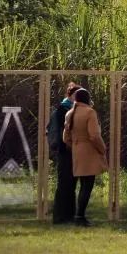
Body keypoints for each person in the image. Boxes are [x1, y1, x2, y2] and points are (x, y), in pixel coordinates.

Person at [62, 88, 108, 227]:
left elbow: (65, 137)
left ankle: (78, 215)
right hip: (89, 151)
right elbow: (94, 136)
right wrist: (103, 149)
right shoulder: (90, 112)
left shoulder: (70, 113)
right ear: (87, 98)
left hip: (77, 151)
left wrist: (76, 145)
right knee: (87, 186)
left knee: (82, 184)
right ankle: (80, 216)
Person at [47, 82, 80, 224]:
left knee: (71, 184)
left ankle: (69, 215)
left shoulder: (74, 109)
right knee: (64, 184)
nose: (76, 98)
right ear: (69, 95)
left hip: (73, 151)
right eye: (75, 95)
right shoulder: (62, 110)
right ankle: (59, 216)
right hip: (64, 150)